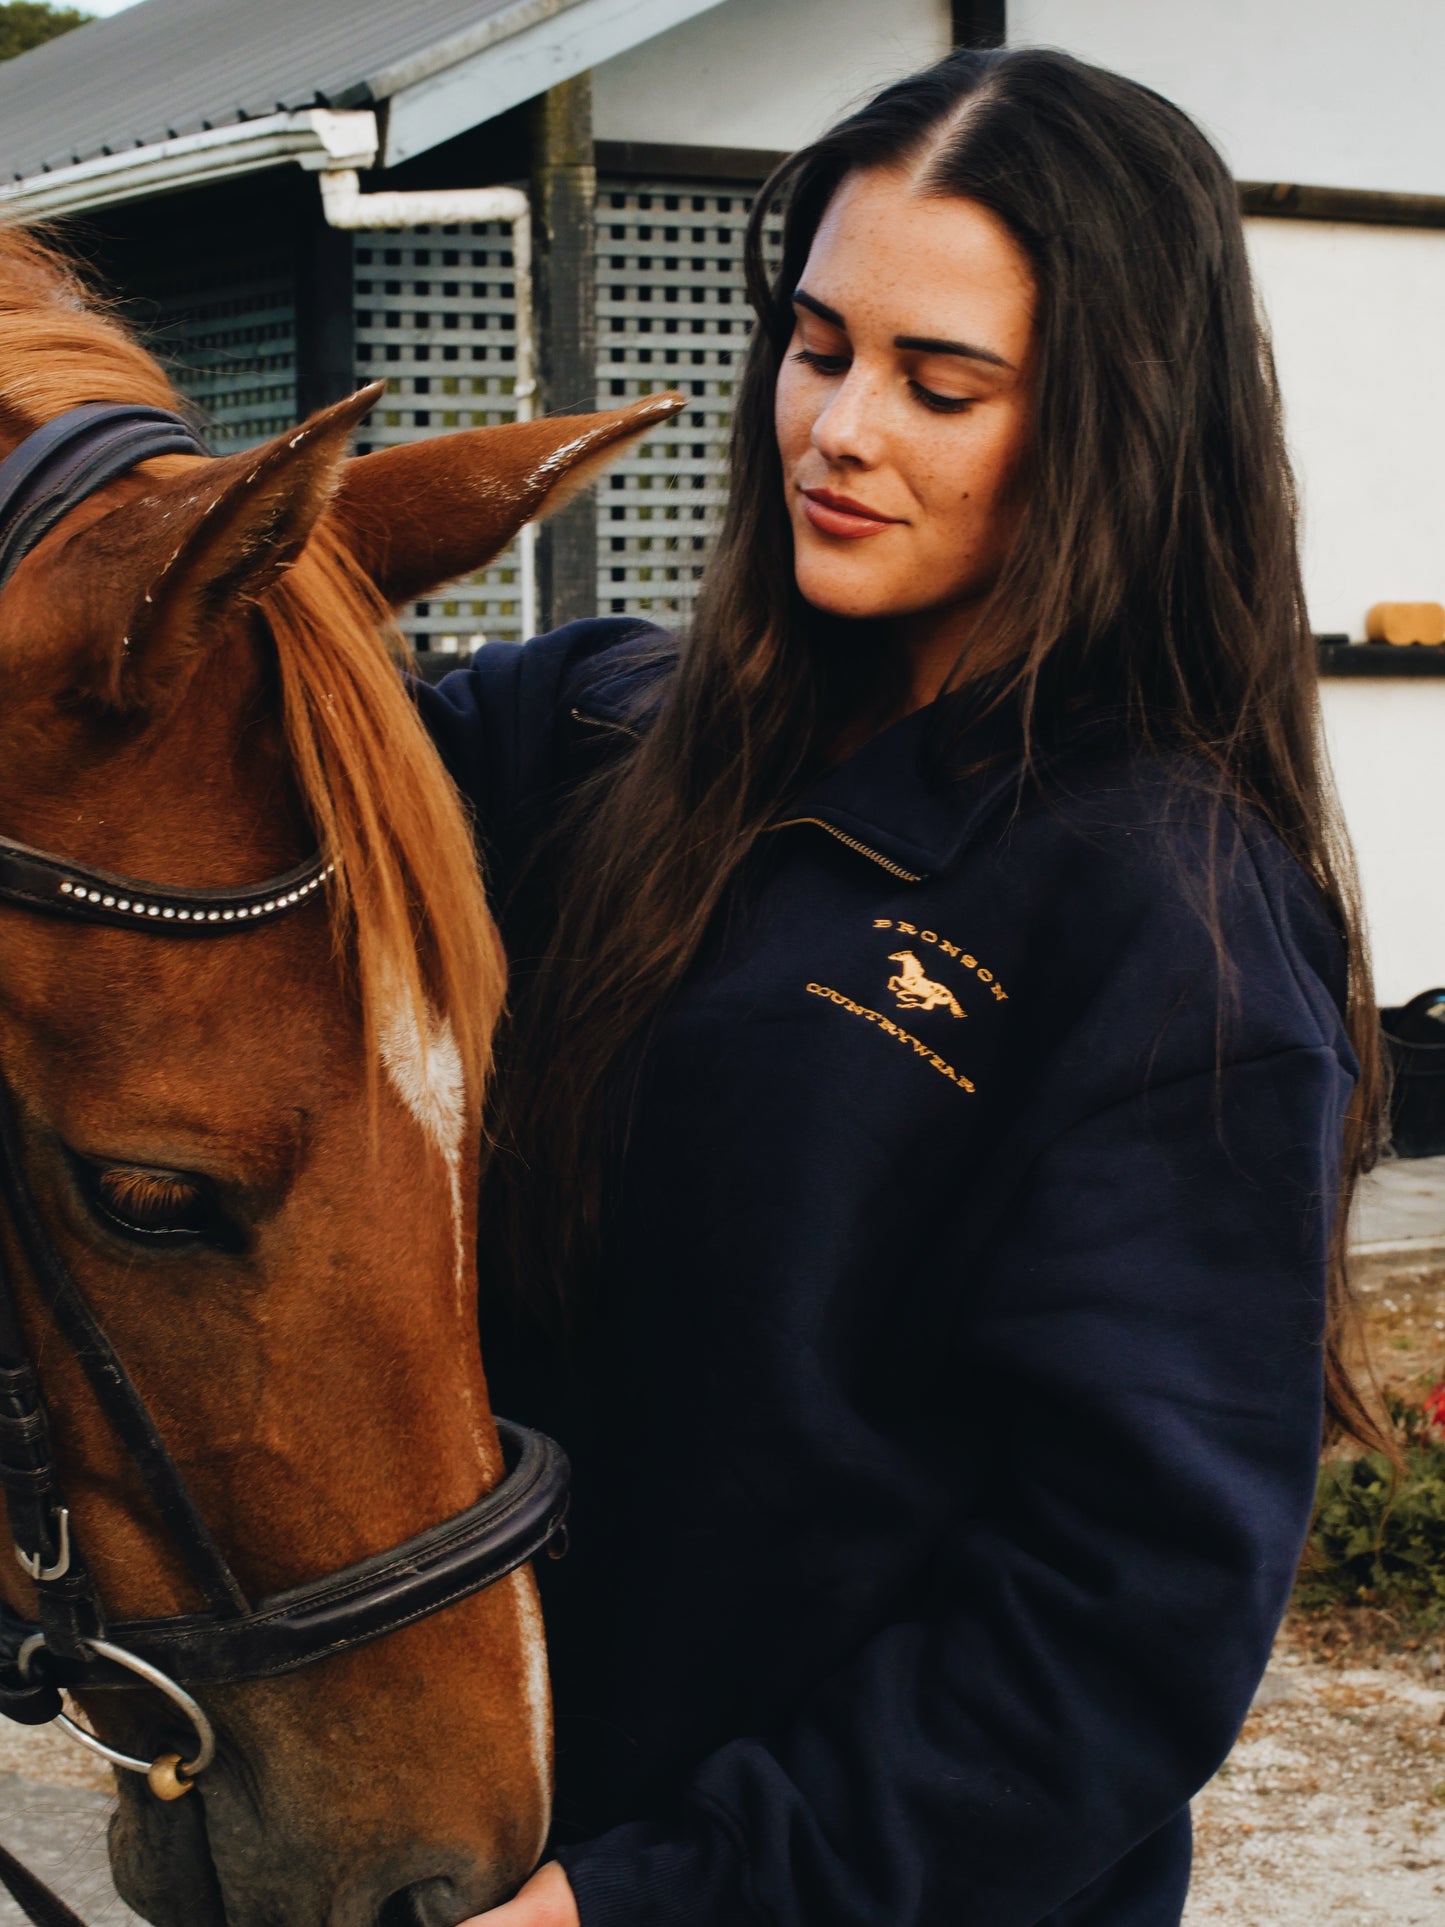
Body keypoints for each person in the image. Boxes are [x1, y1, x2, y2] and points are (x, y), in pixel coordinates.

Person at [415, 45, 1385, 1927]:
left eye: (939, 384)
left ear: (1111, 428)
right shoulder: (579, 736)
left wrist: (650, 1902)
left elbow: (1120, 1618)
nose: (838, 426)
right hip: (445, 1837)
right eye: (817, 344)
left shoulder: (1166, 915)